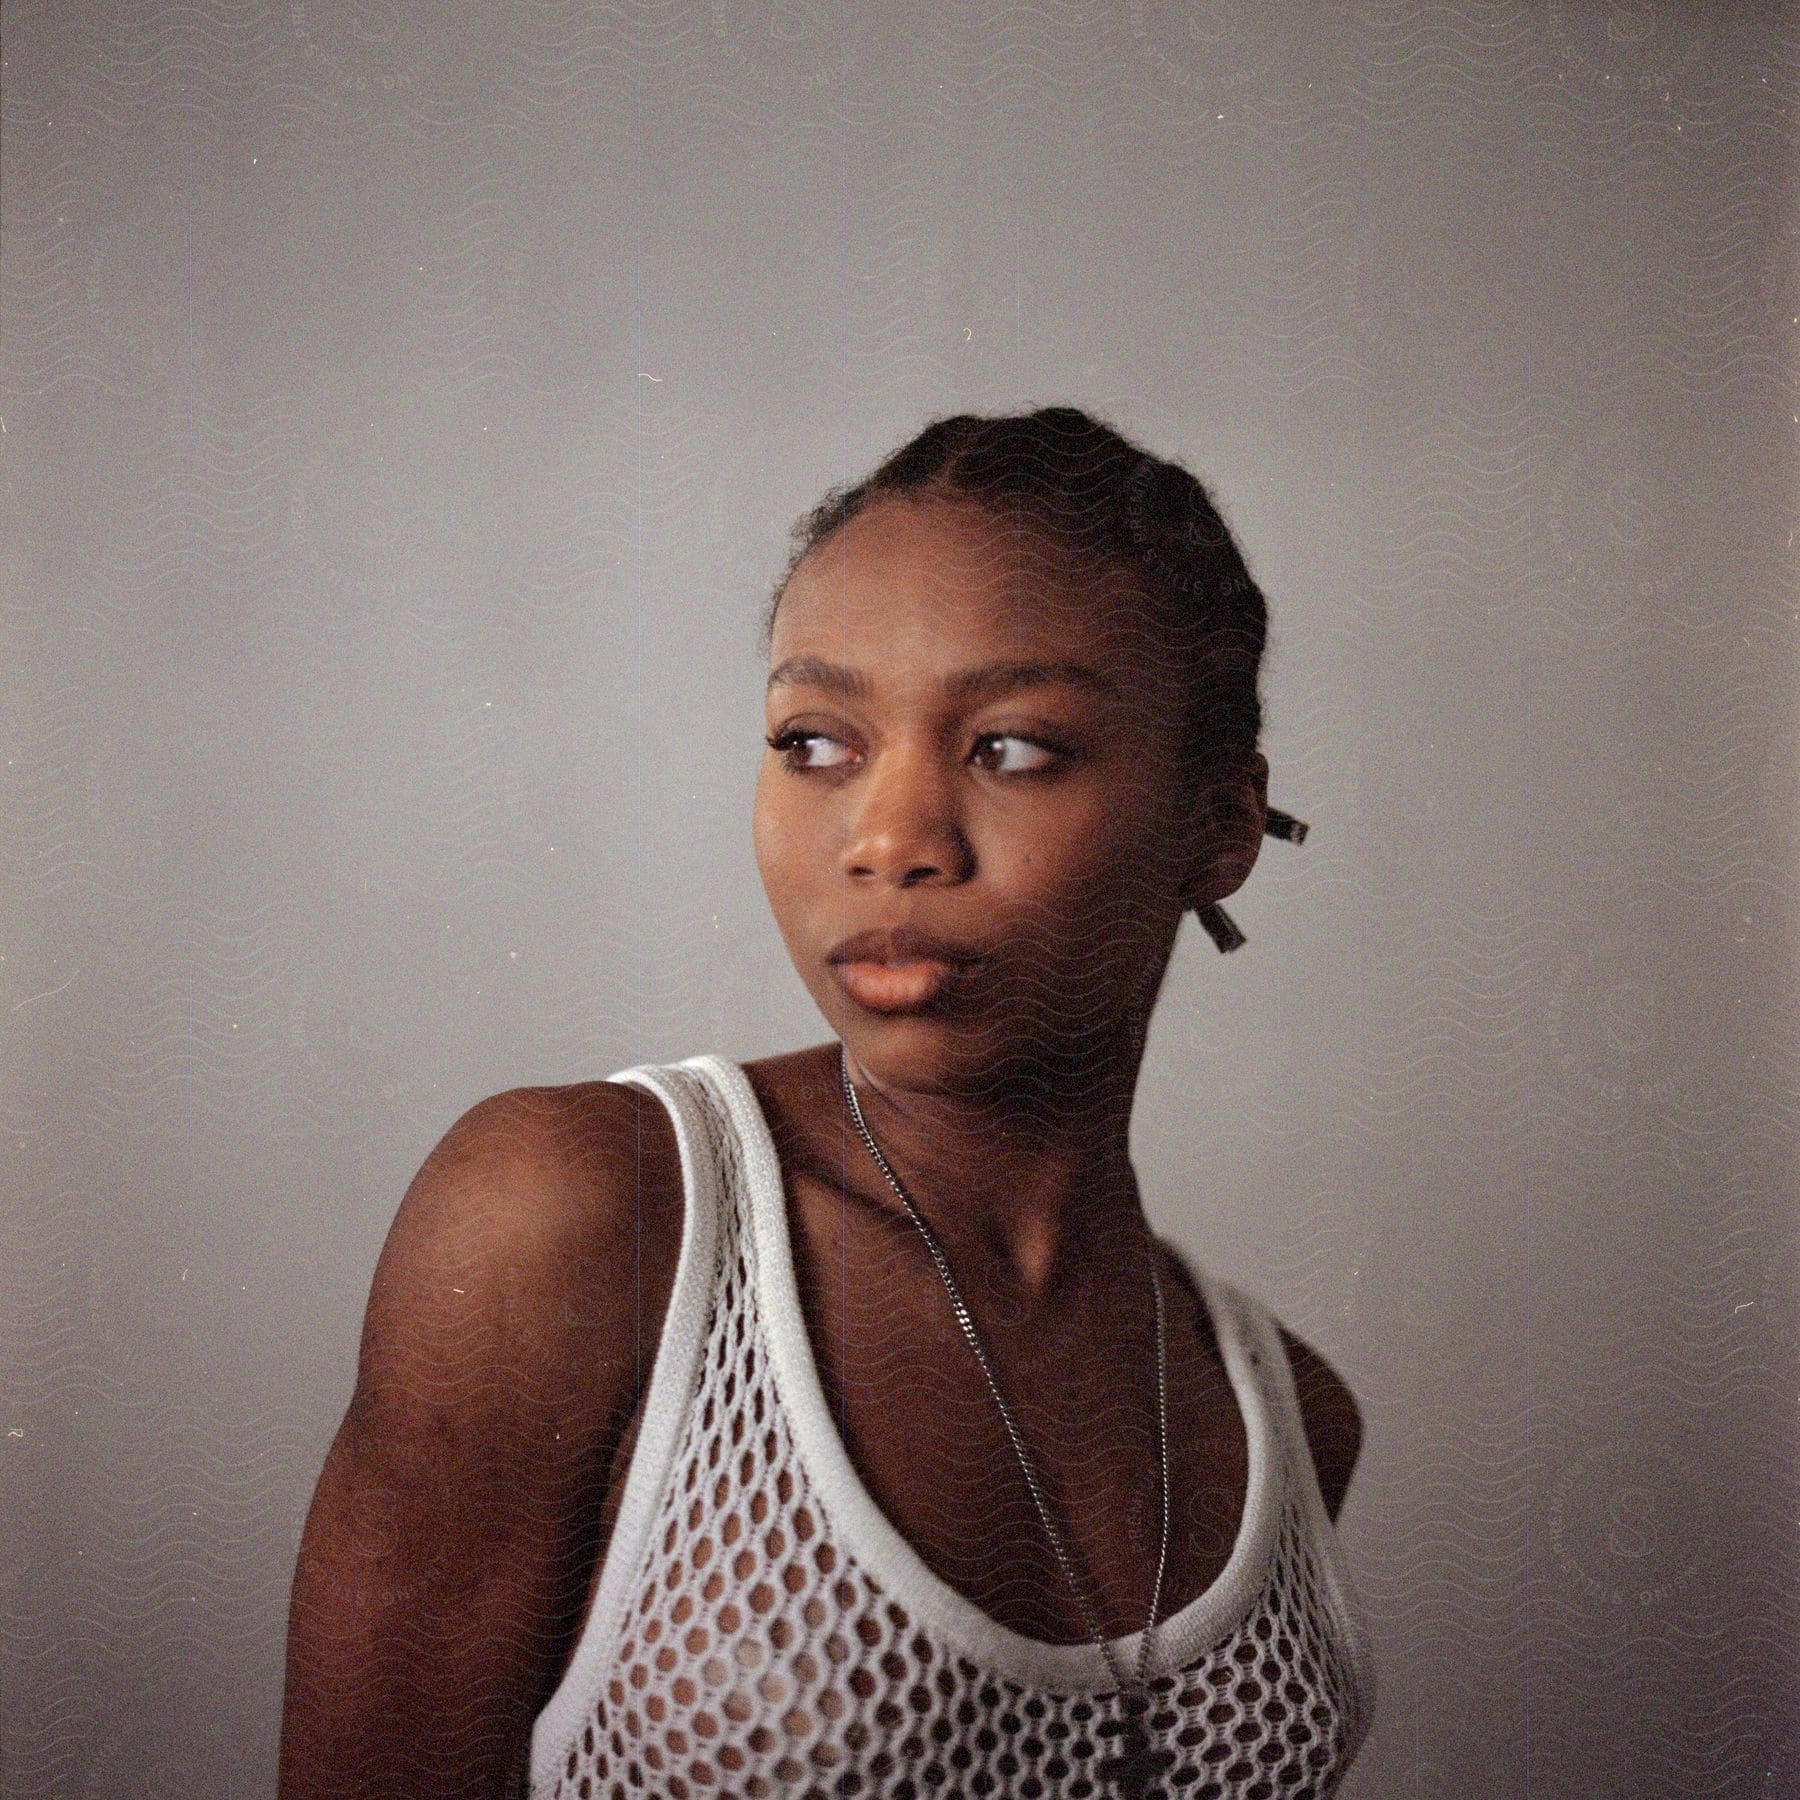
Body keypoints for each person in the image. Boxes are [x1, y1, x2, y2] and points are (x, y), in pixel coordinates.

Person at [279, 406, 1377, 1799]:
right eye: (815, 741)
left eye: (1015, 749)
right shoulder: (583, 1224)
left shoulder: (1288, 1416)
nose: (889, 840)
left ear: (1220, 827)